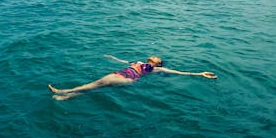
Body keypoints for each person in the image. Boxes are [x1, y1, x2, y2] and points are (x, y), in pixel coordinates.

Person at [48, 54, 217, 100]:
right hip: (122, 76)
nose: (155, 56)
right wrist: (112, 58)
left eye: (158, 59)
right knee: (97, 88)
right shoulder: (138, 61)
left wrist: (199, 73)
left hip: (126, 79)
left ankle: (63, 91)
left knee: (96, 83)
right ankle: (67, 97)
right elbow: (124, 61)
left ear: (157, 63)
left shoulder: (154, 69)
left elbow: (177, 72)